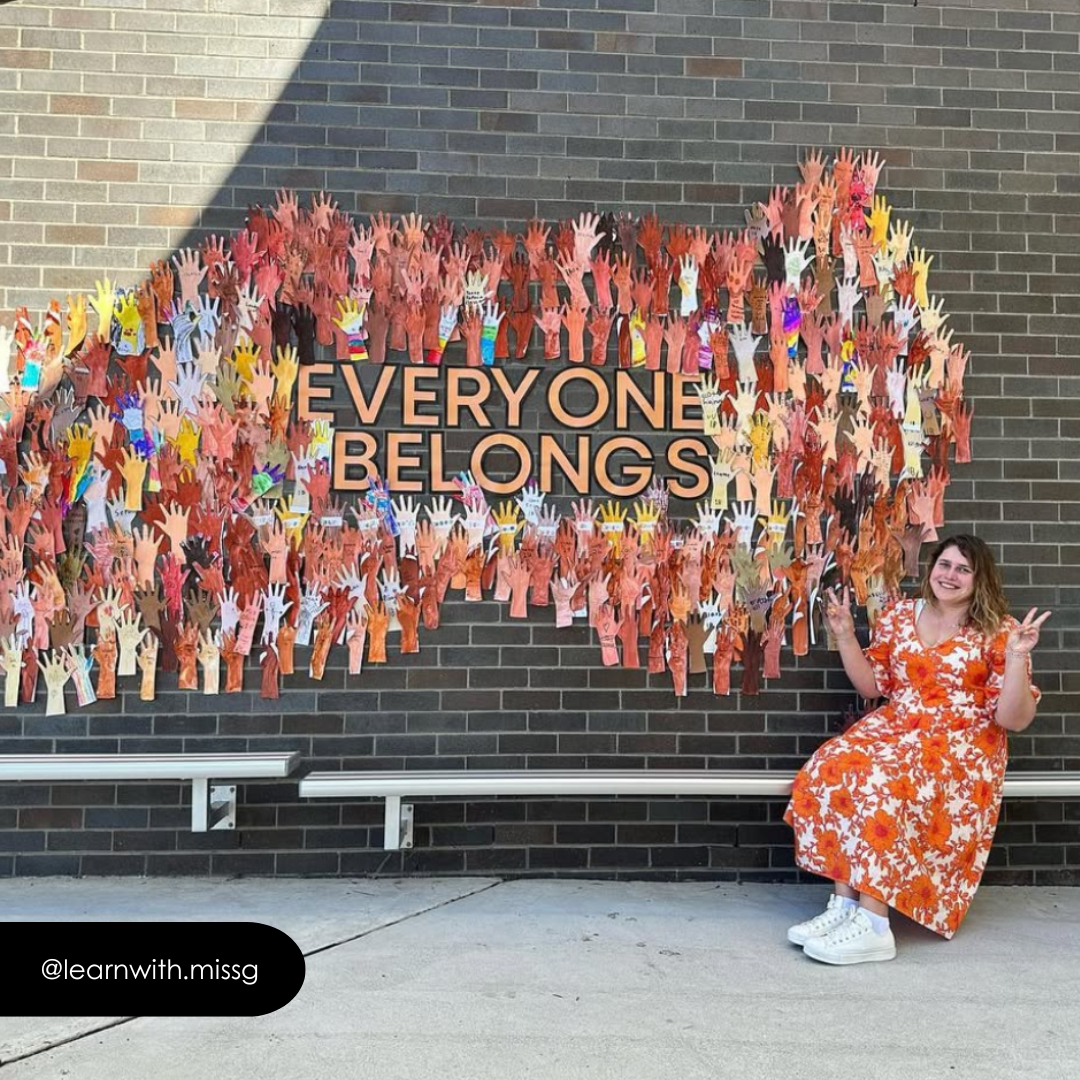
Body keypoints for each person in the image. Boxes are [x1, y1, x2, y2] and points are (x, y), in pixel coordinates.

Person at [783, 534, 1050, 965]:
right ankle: (846, 905)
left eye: (963, 569)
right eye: (945, 565)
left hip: (961, 744)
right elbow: (872, 687)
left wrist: (1018, 657)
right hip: (898, 727)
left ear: (979, 579)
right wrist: (847, 636)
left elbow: (1012, 719)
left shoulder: (1001, 631)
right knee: (830, 767)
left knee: (882, 783)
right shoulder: (899, 615)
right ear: (931, 568)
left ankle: (874, 925)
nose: (951, 575)